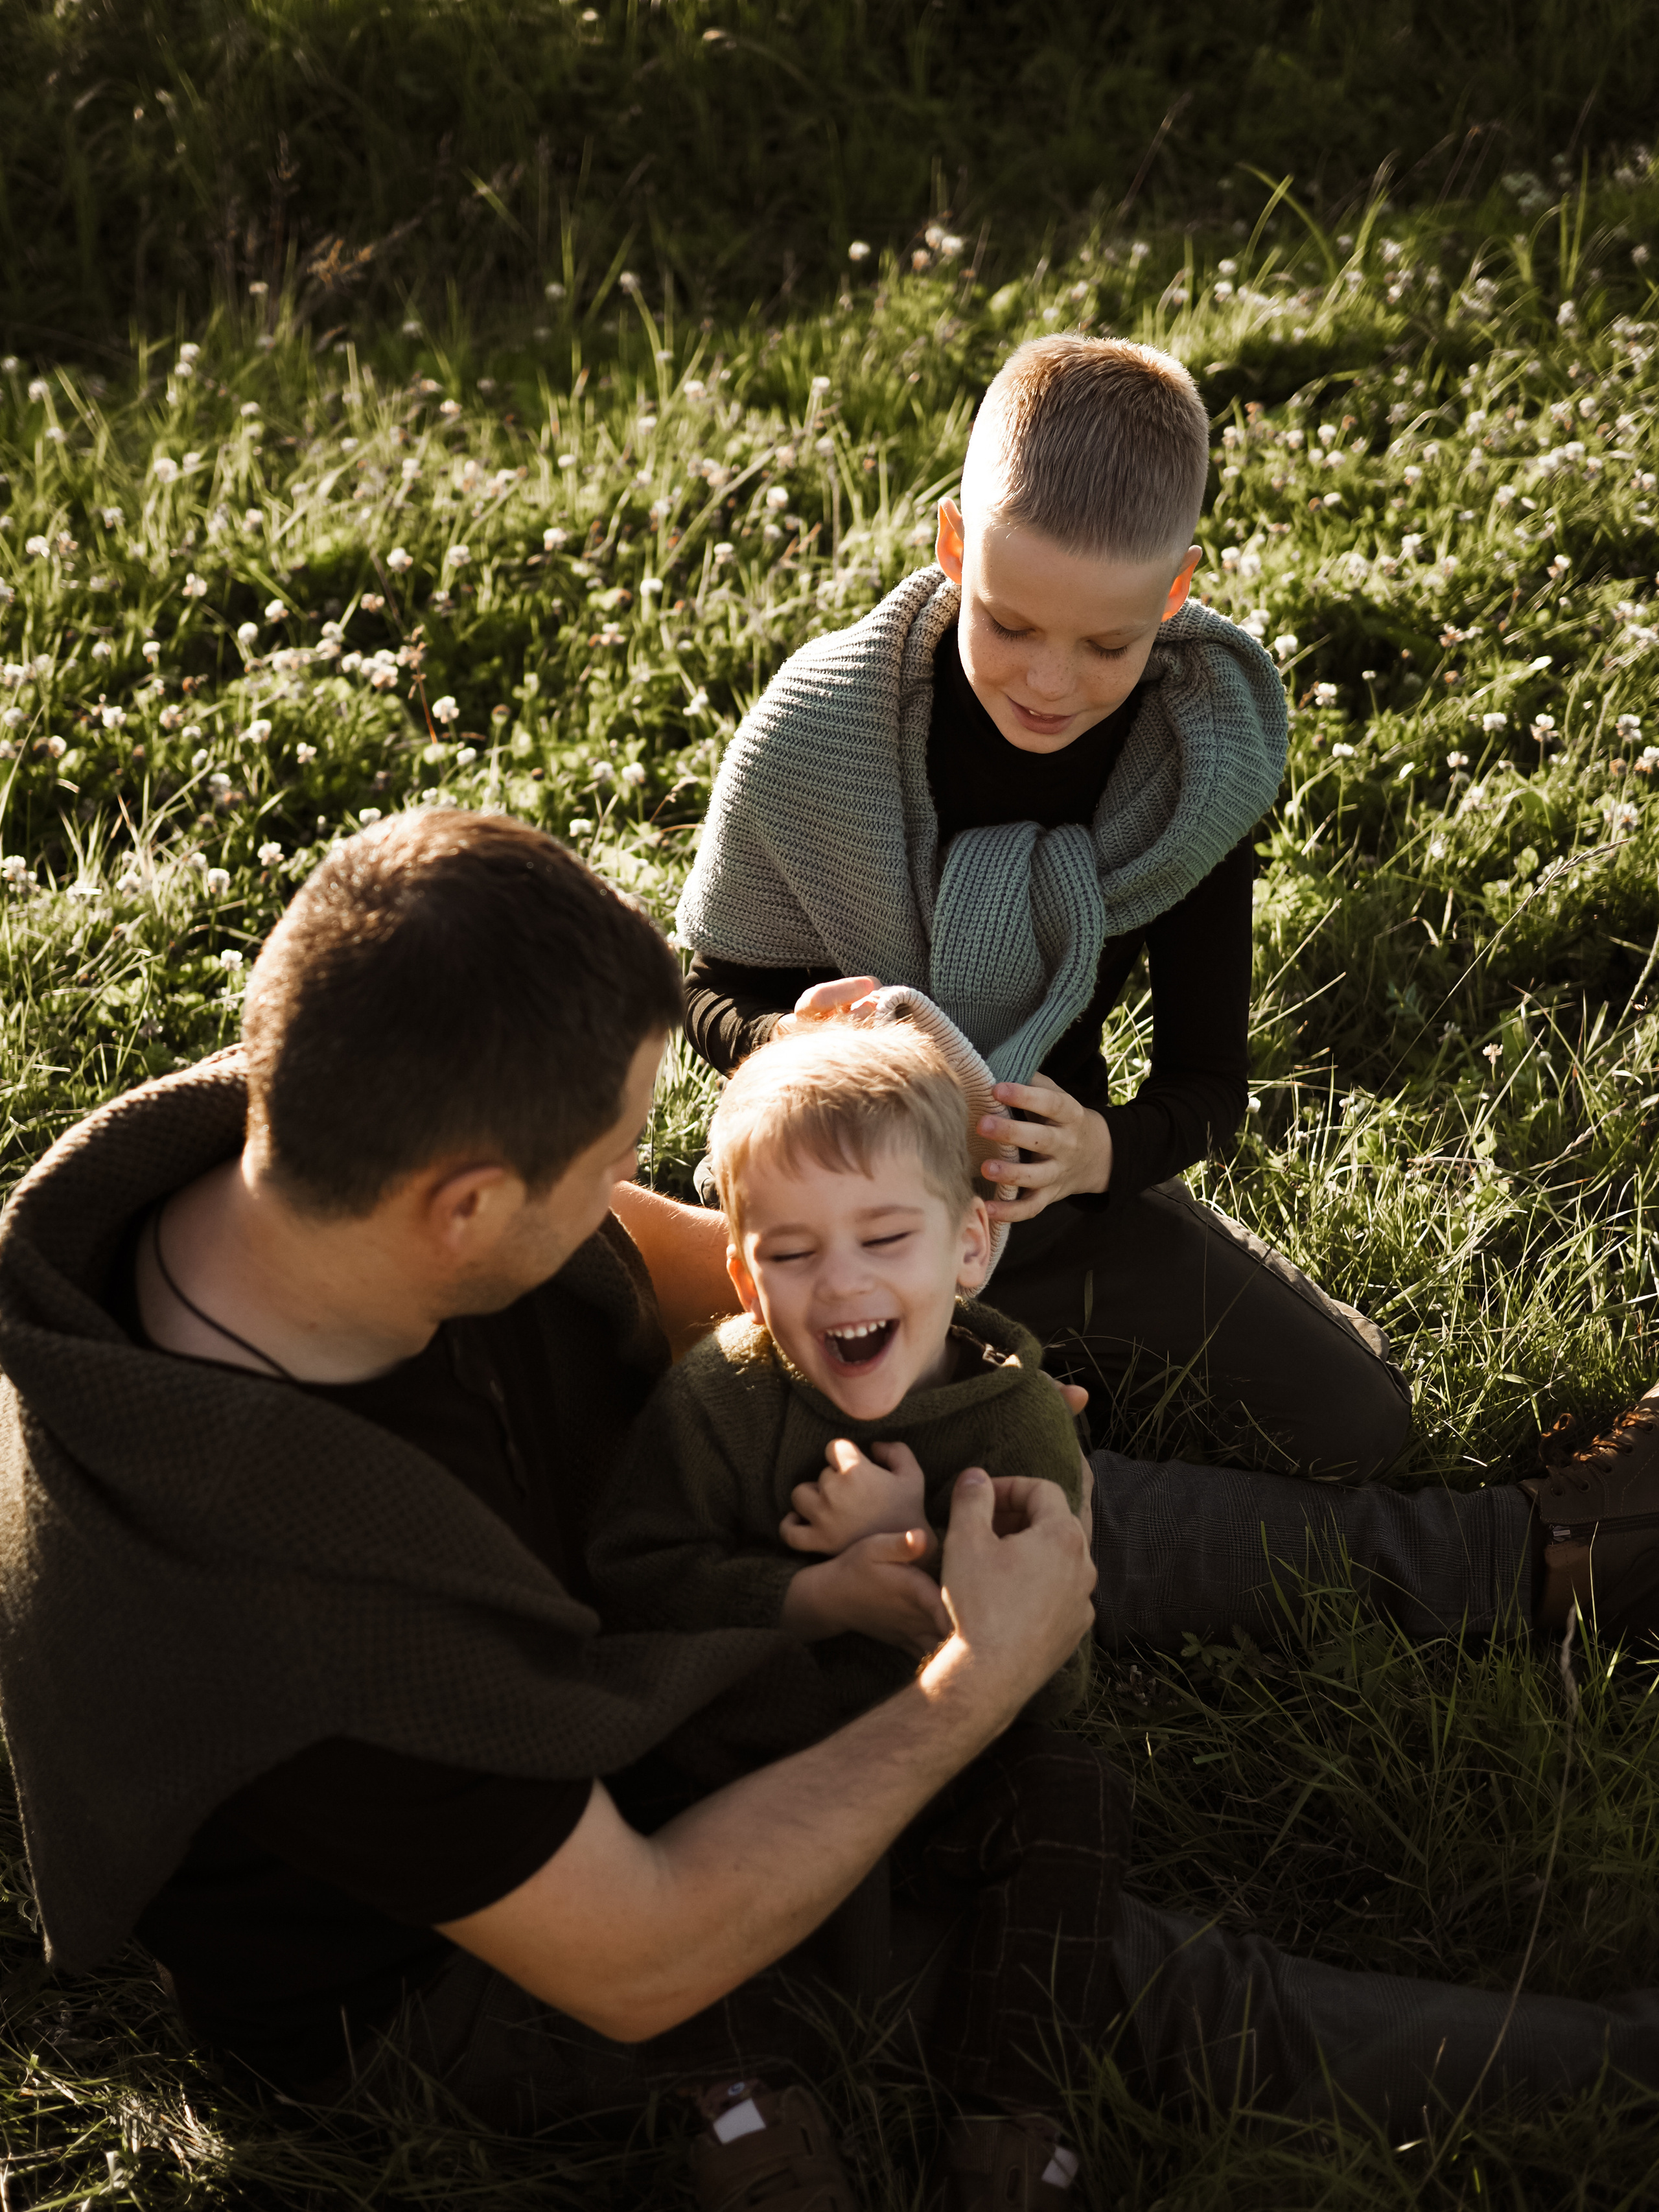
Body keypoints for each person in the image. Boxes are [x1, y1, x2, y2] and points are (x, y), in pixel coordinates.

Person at [3, 812, 1659, 2212]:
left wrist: (920, 1400)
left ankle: (1540, 1558)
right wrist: (971, 1687)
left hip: (621, 1565)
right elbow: (642, 1946)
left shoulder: (321, 1139)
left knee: (997, 1482)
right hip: (470, 1967)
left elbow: (676, 1283)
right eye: (610, 1160)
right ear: (467, 1209)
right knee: (1051, 1947)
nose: (642, 1196)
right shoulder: (282, 1597)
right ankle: (1614, 2070)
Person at [676, 332, 1409, 1484]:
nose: (1049, 681)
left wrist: (1099, 1151)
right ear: (955, 546)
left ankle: (1025, 1387)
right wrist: (789, 1042)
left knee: (1361, 1423)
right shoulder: (819, 732)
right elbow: (705, 985)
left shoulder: (1191, 770)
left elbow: (1208, 1083)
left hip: (1056, 1207)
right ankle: (1003, 1410)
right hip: (837, 1211)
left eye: (1109, 641)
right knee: (738, 1449)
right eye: (1010, 623)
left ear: (1177, 589)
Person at [588, 1019, 1091, 1776]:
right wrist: (816, 1597)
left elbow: (1053, 1679)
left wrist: (909, 1544)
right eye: (791, 1253)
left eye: (885, 1237)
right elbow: (631, 1584)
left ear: (969, 1243)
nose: (842, 1282)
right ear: (746, 1285)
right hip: (743, 1777)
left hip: (952, 1774)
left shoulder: (1015, 1421)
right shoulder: (719, 1393)